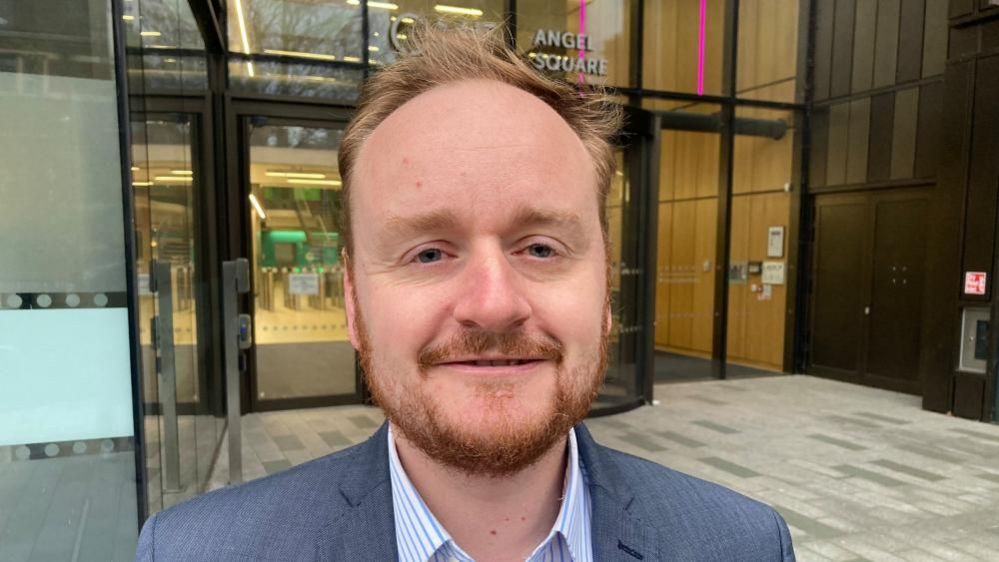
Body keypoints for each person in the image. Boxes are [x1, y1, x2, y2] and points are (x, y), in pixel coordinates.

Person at [136, 22, 795, 562]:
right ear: (353, 303)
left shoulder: (741, 545)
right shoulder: (197, 552)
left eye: (540, 247)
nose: (492, 303)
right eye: (427, 252)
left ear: (604, 291)